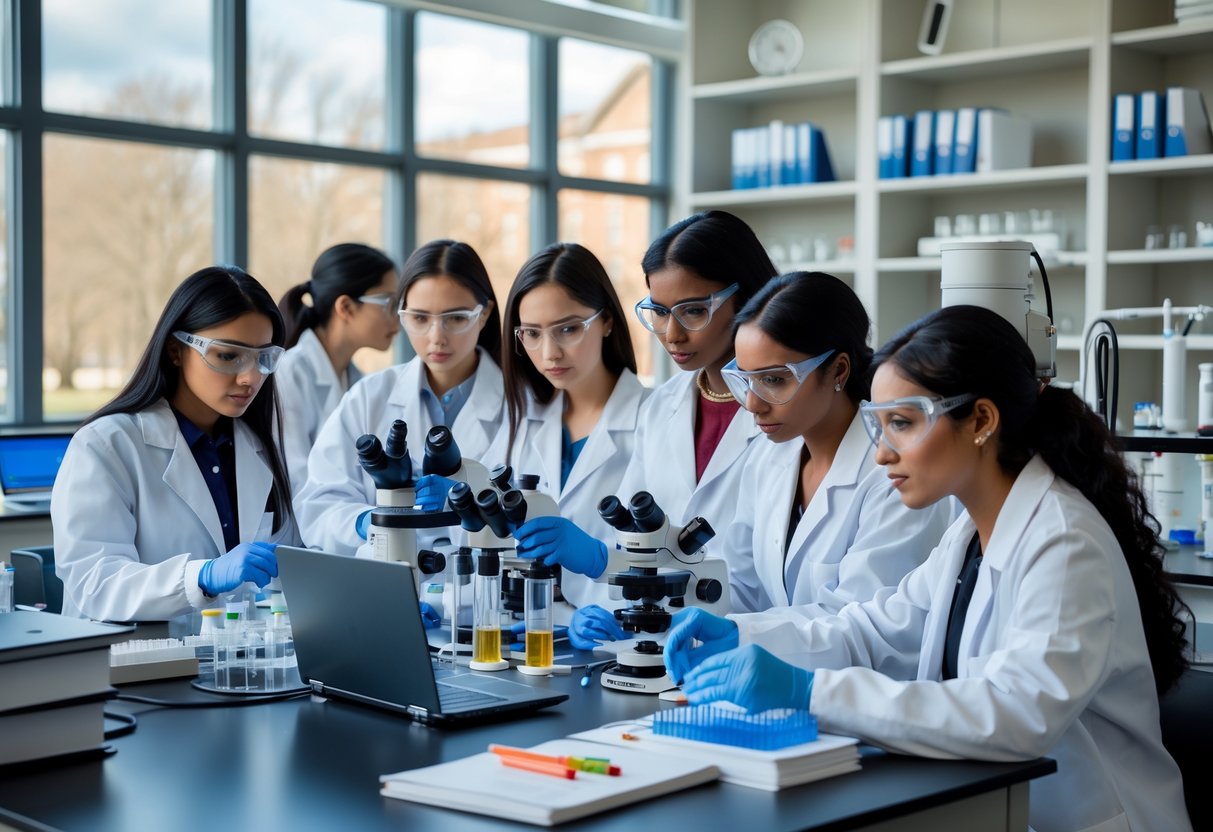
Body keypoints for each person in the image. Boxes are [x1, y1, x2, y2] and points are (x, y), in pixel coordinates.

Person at [662, 306, 1193, 832]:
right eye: (879, 425)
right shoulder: (968, 536)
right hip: (996, 808)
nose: (881, 454)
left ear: (982, 421)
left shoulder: (1064, 542)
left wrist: (809, 693)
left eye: (903, 423)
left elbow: (1015, 715)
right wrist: (741, 636)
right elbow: (868, 632)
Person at [573, 273, 954, 649]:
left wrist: (740, 636)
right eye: (746, 379)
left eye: (774, 380)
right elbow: (739, 588)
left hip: (860, 693)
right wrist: (652, 619)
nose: (752, 403)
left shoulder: (893, 474)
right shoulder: (770, 457)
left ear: (837, 370)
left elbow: (860, 622)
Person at [567, 210, 778, 647]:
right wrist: (603, 606)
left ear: (749, 298)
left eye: (694, 311)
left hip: (748, 642)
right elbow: (629, 537)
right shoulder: (662, 404)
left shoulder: (784, 414)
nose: (672, 334)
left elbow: (757, 574)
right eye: (660, 313)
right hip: (659, 640)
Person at [52, 266, 300, 622]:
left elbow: (289, 564)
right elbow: (94, 583)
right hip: (128, 663)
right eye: (228, 356)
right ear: (175, 350)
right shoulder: (106, 446)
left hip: (236, 659)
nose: (250, 377)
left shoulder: (258, 447)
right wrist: (201, 576)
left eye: (264, 358)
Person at [295, 239, 503, 556]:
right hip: (388, 585)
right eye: (419, 318)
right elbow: (320, 503)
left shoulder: (523, 404)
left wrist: (469, 505)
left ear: (484, 313)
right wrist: (368, 522)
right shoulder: (368, 397)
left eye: (456, 318)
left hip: (486, 591)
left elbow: (537, 514)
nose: (436, 337)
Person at [481, 242, 649, 610]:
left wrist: (596, 561)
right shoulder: (525, 421)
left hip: (621, 630)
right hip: (535, 627)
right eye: (532, 333)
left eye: (568, 329)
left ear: (606, 321)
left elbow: (672, 560)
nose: (549, 353)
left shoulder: (652, 420)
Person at [275, 243, 401, 490]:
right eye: (389, 302)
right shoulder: (289, 374)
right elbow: (297, 482)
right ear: (345, 307)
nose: (398, 315)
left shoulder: (358, 383)